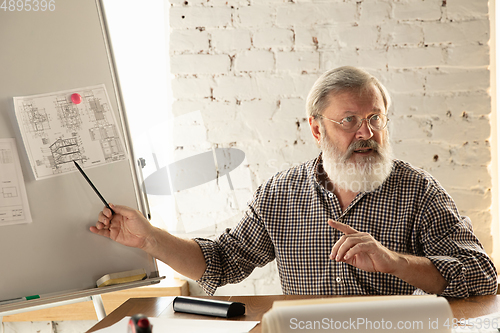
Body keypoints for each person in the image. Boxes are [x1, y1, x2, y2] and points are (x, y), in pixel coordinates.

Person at [91, 66, 497, 298]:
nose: (366, 133)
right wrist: (150, 240)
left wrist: (395, 262)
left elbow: (482, 274)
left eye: (375, 118)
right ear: (317, 131)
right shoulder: (281, 193)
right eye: (349, 121)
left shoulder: (419, 190)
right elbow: (221, 262)